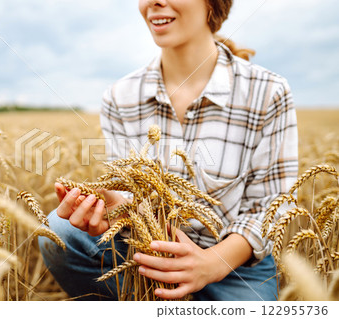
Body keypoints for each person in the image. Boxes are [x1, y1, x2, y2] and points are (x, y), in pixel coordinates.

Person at [39, 0, 298, 301]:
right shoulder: (120, 96)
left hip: (234, 266)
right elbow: (129, 190)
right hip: (145, 252)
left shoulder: (268, 91)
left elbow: (271, 205)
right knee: (59, 231)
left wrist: (212, 263)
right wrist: (115, 206)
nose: (154, 2)